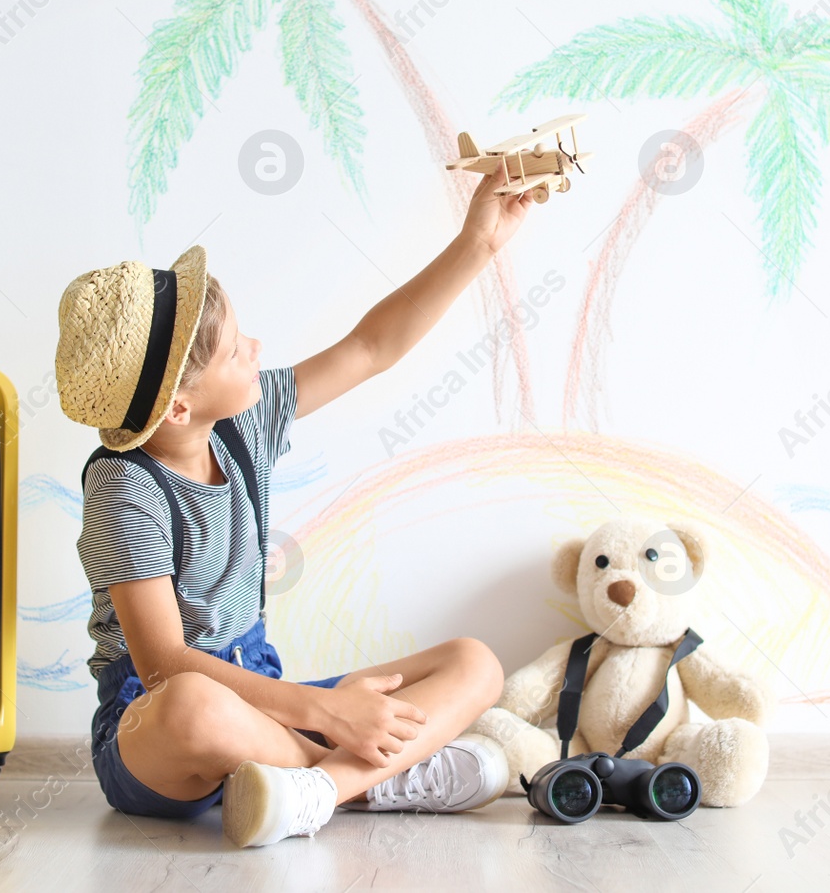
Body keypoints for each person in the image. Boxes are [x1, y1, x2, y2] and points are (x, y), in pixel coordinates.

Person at [54, 163, 534, 848]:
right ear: (180, 405)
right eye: (232, 352)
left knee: (474, 662)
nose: (257, 350)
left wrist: (478, 242)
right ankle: (376, 781)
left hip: (265, 697)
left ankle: (320, 789)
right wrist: (328, 713)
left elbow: (372, 347)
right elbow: (162, 663)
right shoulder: (123, 487)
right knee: (190, 706)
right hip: (159, 732)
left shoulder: (243, 423)